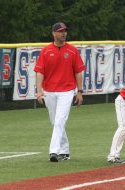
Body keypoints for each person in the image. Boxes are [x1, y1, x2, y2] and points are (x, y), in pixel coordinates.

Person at [34, 22, 86, 162]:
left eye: (65, 31)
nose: (64, 33)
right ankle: (65, 151)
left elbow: (78, 72)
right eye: (60, 31)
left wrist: (79, 92)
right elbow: (39, 72)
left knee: (59, 120)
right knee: (55, 122)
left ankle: (53, 151)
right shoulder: (46, 51)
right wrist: (39, 91)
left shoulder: (72, 51)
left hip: (67, 91)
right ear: (54, 33)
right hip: (49, 91)